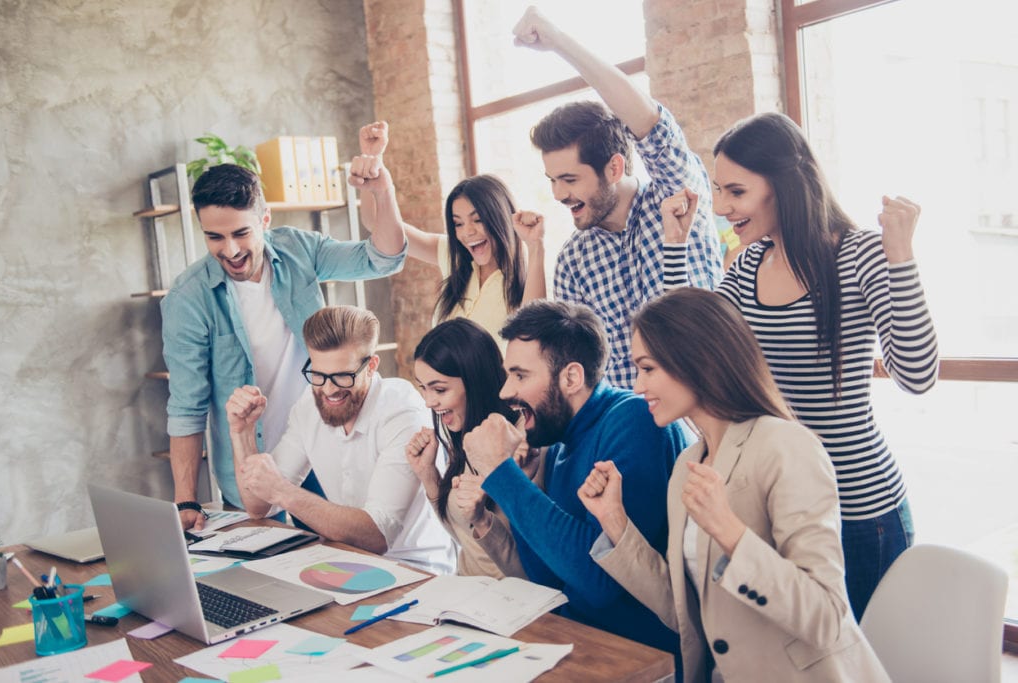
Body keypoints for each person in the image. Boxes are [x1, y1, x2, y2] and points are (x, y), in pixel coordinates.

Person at [660, 111, 939, 618]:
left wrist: (901, 255)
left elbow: (917, 374)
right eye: (719, 191)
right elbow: (688, 347)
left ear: (783, 184)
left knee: (851, 663)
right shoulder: (747, 266)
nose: (722, 208)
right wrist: (675, 248)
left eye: (736, 192)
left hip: (860, 510)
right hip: (782, 505)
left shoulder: (859, 256)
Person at [579, 288, 890, 683]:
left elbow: (826, 617)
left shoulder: (785, 446)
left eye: (648, 368)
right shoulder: (688, 465)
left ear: (697, 360)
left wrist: (730, 533)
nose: (638, 387)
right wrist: (615, 522)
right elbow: (684, 614)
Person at [162, 163, 407, 530]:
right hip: (250, 464)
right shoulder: (188, 298)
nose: (230, 250)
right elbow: (186, 407)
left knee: (341, 565)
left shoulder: (298, 250)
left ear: (264, 219)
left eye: (240, 233)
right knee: (266, 578)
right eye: (214, 237)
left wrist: (382, 191)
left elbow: (382, 257)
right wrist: (186, 500)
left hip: (325, 447)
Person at [461, 300, 690, 657]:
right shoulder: (560, 441)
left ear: (571, 377)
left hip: (643, 660)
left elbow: (600, 586)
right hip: (583, 645)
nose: (506, 392)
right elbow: (549, 581)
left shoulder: (634, 419)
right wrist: (517, 480)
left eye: (520, 375)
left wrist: (500, 473)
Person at [512, 6, 723, 389]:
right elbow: (577, 372)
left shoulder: (673, 199)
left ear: (614, 167)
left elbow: (652, 124)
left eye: (569, 179)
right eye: (552, 180)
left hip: (709, 414)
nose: (559, 194)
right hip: (631, 433)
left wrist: (556, 39)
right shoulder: (574, 260)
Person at [226, 305, 455, 574]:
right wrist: (242, 432)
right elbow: (259, 506)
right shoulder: (309, 406)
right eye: (319, 375)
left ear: (371, 366)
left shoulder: (402, 411)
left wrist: (282, 491)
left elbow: (376, 536)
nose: (329, 389)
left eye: (342, 377)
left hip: (417, 571)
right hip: (351, 564)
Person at [354, 122, 546, 345]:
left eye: (477, 219)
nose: (468, 232)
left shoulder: (524, 277)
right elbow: (376, 222)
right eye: (458, 223)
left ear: (500, 217)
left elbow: (535, 336)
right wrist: (372, 159)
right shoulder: (454, 256)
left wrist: (536, 245)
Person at [406, 318, 532, 578]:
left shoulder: (522, 442)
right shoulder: (468, 431)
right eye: (423, 388)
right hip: (468, 593)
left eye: (439, 389)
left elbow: (531, 570)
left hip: (515, 602)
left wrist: (483, 519)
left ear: (475, 381)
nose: (428, 402)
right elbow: (467, 539)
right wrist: (428, 475)